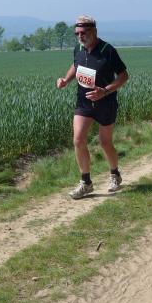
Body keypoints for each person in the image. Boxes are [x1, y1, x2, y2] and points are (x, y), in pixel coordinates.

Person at [56, 15, 129, 199]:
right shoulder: (78, 49)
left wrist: (105, 91)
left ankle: (115, 174)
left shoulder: (107, 50)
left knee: (105, 143)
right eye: (77, 33)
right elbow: (76, 65)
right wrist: (66, 80)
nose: (80, 36)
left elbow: (123, 76)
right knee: (78, 140)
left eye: (83, 32)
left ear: (94, 31)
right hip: (84, 102)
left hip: (106, 102)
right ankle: (86, 182)